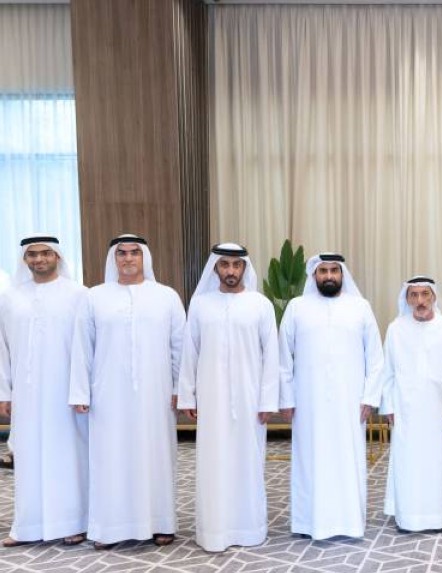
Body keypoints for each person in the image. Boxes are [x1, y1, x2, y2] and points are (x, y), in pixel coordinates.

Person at [69, 234, 185, 549]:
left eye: (134, 252)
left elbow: (179, 348)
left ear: (144, 257)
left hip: (156, 393)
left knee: (157, 456)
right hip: (108, 394)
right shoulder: (95, 297)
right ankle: (110, 528)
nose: (128, 258)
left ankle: (161, 523)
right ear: (114, 258)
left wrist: (180, 388)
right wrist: (80, 392)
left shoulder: (166, 297)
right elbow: (82, 347)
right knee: (111, 458)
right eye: (122, 253)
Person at [176, 243, 279, 553]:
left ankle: (250, 529)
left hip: (251, 400)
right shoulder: (200, 305)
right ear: (215, 268)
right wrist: (188, 397)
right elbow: (190, 352)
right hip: (211, 398)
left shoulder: (260, 305)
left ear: (244, 267)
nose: (231, 271)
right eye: (224, 265)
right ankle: (214, 531)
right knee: (213, 462)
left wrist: (268, 400)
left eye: (236, 265)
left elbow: (271, 355)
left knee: (249, 462)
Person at [279, 253, 383, 540]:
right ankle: (308, 522)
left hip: (350, 402)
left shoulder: (360, 307)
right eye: (322, 271)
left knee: (348, 459)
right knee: (309, 459)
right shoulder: (297, 308)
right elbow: (283, 357)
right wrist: (286, 399)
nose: (328, 276)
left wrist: (370, 397)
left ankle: (350, 522)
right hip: (307, 402)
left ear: (342, 274)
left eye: (333, 271)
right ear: (314, 275)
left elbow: (375, 358)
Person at [0, 236, 88, 547]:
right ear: (25, 260)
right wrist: (4, 392)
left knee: (67, 456)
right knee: (28, 456)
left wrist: (83, 390)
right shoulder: (11, 298)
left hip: (66, 392)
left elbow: (85, 347)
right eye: (32, 254)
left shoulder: (78, 294)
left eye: (45, 253)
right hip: (26, 394)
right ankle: (27, 526)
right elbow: (2, 348)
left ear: (57, 256)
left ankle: (74, 523)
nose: (39, 259)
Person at [380, 276, 442, 532]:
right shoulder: (396, 329)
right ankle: (408, 518)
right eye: (414, 295)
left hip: (437, 410)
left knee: (436, 463)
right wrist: (388, 406)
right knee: (407, 463)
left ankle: (438, 518)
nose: (420, 301)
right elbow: (387, 371)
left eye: (425, 294)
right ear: (406, 299)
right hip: (405, 410)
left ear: (434, 297)